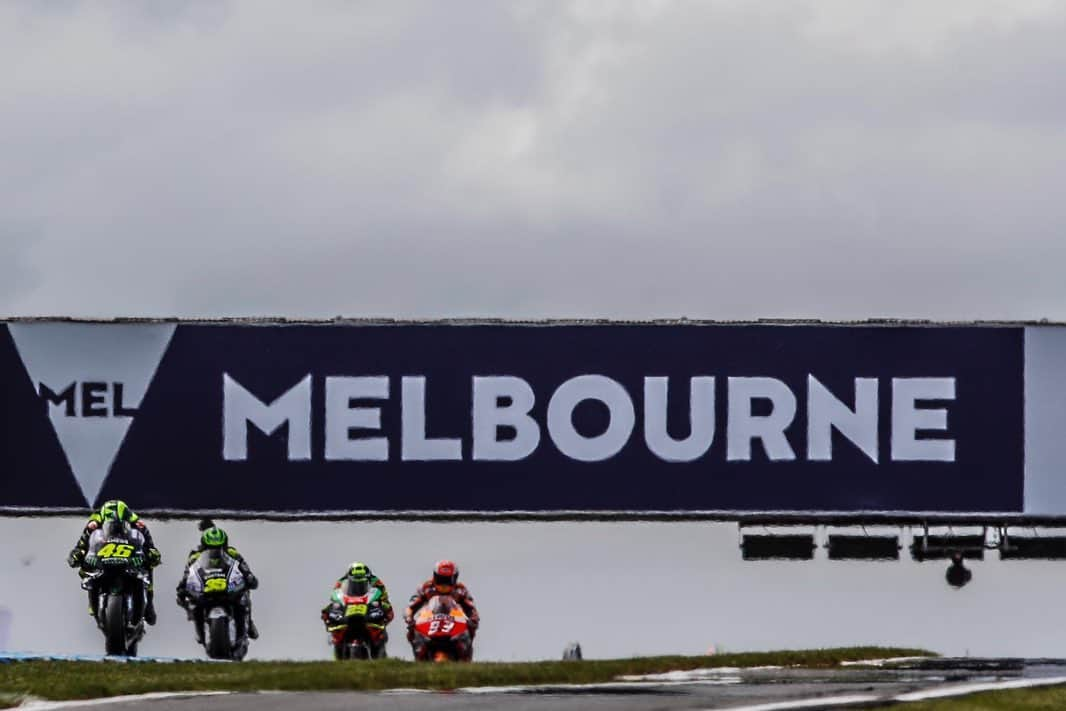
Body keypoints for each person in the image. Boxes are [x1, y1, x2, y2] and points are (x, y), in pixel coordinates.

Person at [67, 499, 161, 624]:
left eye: (118, 524)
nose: (114, 527)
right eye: (111, 524)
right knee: (87, 570)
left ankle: (149, 603)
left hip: (127, 552)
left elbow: (147, 541)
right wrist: (78, 553)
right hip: (105, 553)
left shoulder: (136, 522)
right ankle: (92, 597)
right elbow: (83, 542)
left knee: (147, 566)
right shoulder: (94, 522)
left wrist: (151, 551)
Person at [176, 519, 259, 642]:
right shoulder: (195, 556)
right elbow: (188, 573)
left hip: (227, 586)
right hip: (206, 588)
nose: (215, 550)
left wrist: (249, 577)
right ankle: (200, 632)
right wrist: (183, 586)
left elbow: (244, 568)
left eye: (218, 547)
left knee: (244, 595)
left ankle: (249, 623)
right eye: (211, 547)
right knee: (193, 603)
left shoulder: (232, 553)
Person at [404, 559, 479, 659]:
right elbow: (410, 607)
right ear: (435, 577)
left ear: (455, 578)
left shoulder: (460, 590)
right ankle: (419, 656)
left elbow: (471, 608)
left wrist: (473, 619)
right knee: (412, 631)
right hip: (430, 621)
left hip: (453, 621)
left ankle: (466, 658)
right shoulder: (426, 587)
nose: (444, 584)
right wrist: (409, 618)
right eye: (441, 580)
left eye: (447, 580)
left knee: (469, 630)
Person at [321, 561, 394, 656]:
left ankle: (379, 647)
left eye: (362, 578)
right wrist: (335, 605)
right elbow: (335, 595)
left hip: (367, 606)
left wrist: (383, 605)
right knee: (330, 612)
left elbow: (384, 596)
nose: (358, 582)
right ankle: (337, 642)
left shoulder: (376, 581)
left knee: (381, 624)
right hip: (349, 607)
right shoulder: (341, 581)